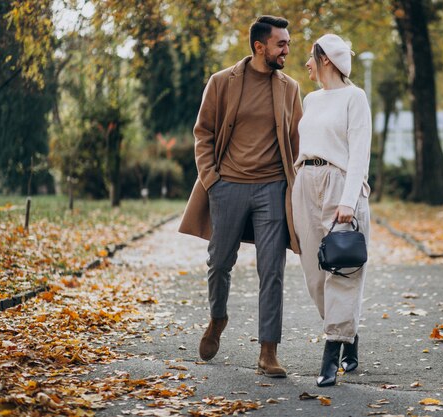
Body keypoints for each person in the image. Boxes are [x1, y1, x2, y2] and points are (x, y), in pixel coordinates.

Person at [178, 15, 302, 378]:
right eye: (281, 43)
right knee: (219, 262)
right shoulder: (222, 82)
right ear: (259, 46)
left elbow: (297, 141)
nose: (287, 50)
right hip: (227, 185)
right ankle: (218, 319)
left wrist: (296, 184)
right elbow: (203, 133)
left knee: (272, 270)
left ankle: (268, 352)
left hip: (273, 188)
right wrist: (212, 180)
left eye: (288, 43)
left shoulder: (290, 88)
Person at [292, 34, 372, 387]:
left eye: (311, 57)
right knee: (314, 273)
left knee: (341, 270)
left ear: (324, 59)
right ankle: (347, 334)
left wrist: (349, 200)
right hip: (306, 182)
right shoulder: (310, 99)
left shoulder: (355, 97)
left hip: (340, 185)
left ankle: (331, 352)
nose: (306, 63)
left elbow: (359, 152)